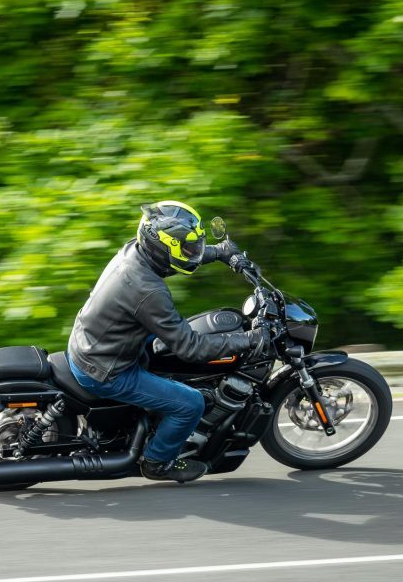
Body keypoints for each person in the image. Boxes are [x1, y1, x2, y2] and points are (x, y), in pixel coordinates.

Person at [66, 200, 267, 483]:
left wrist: (219, 252)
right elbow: (192, 348)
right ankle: (157, 462)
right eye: (188, 246)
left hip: (97, 342)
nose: (193, 251)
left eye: (195, 245)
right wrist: (248, 339)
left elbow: (183, 256)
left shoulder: (134, 253)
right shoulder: (149, 292)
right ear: (163, 247)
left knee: (168, 354)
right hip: (106, 369)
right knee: (190, 404)